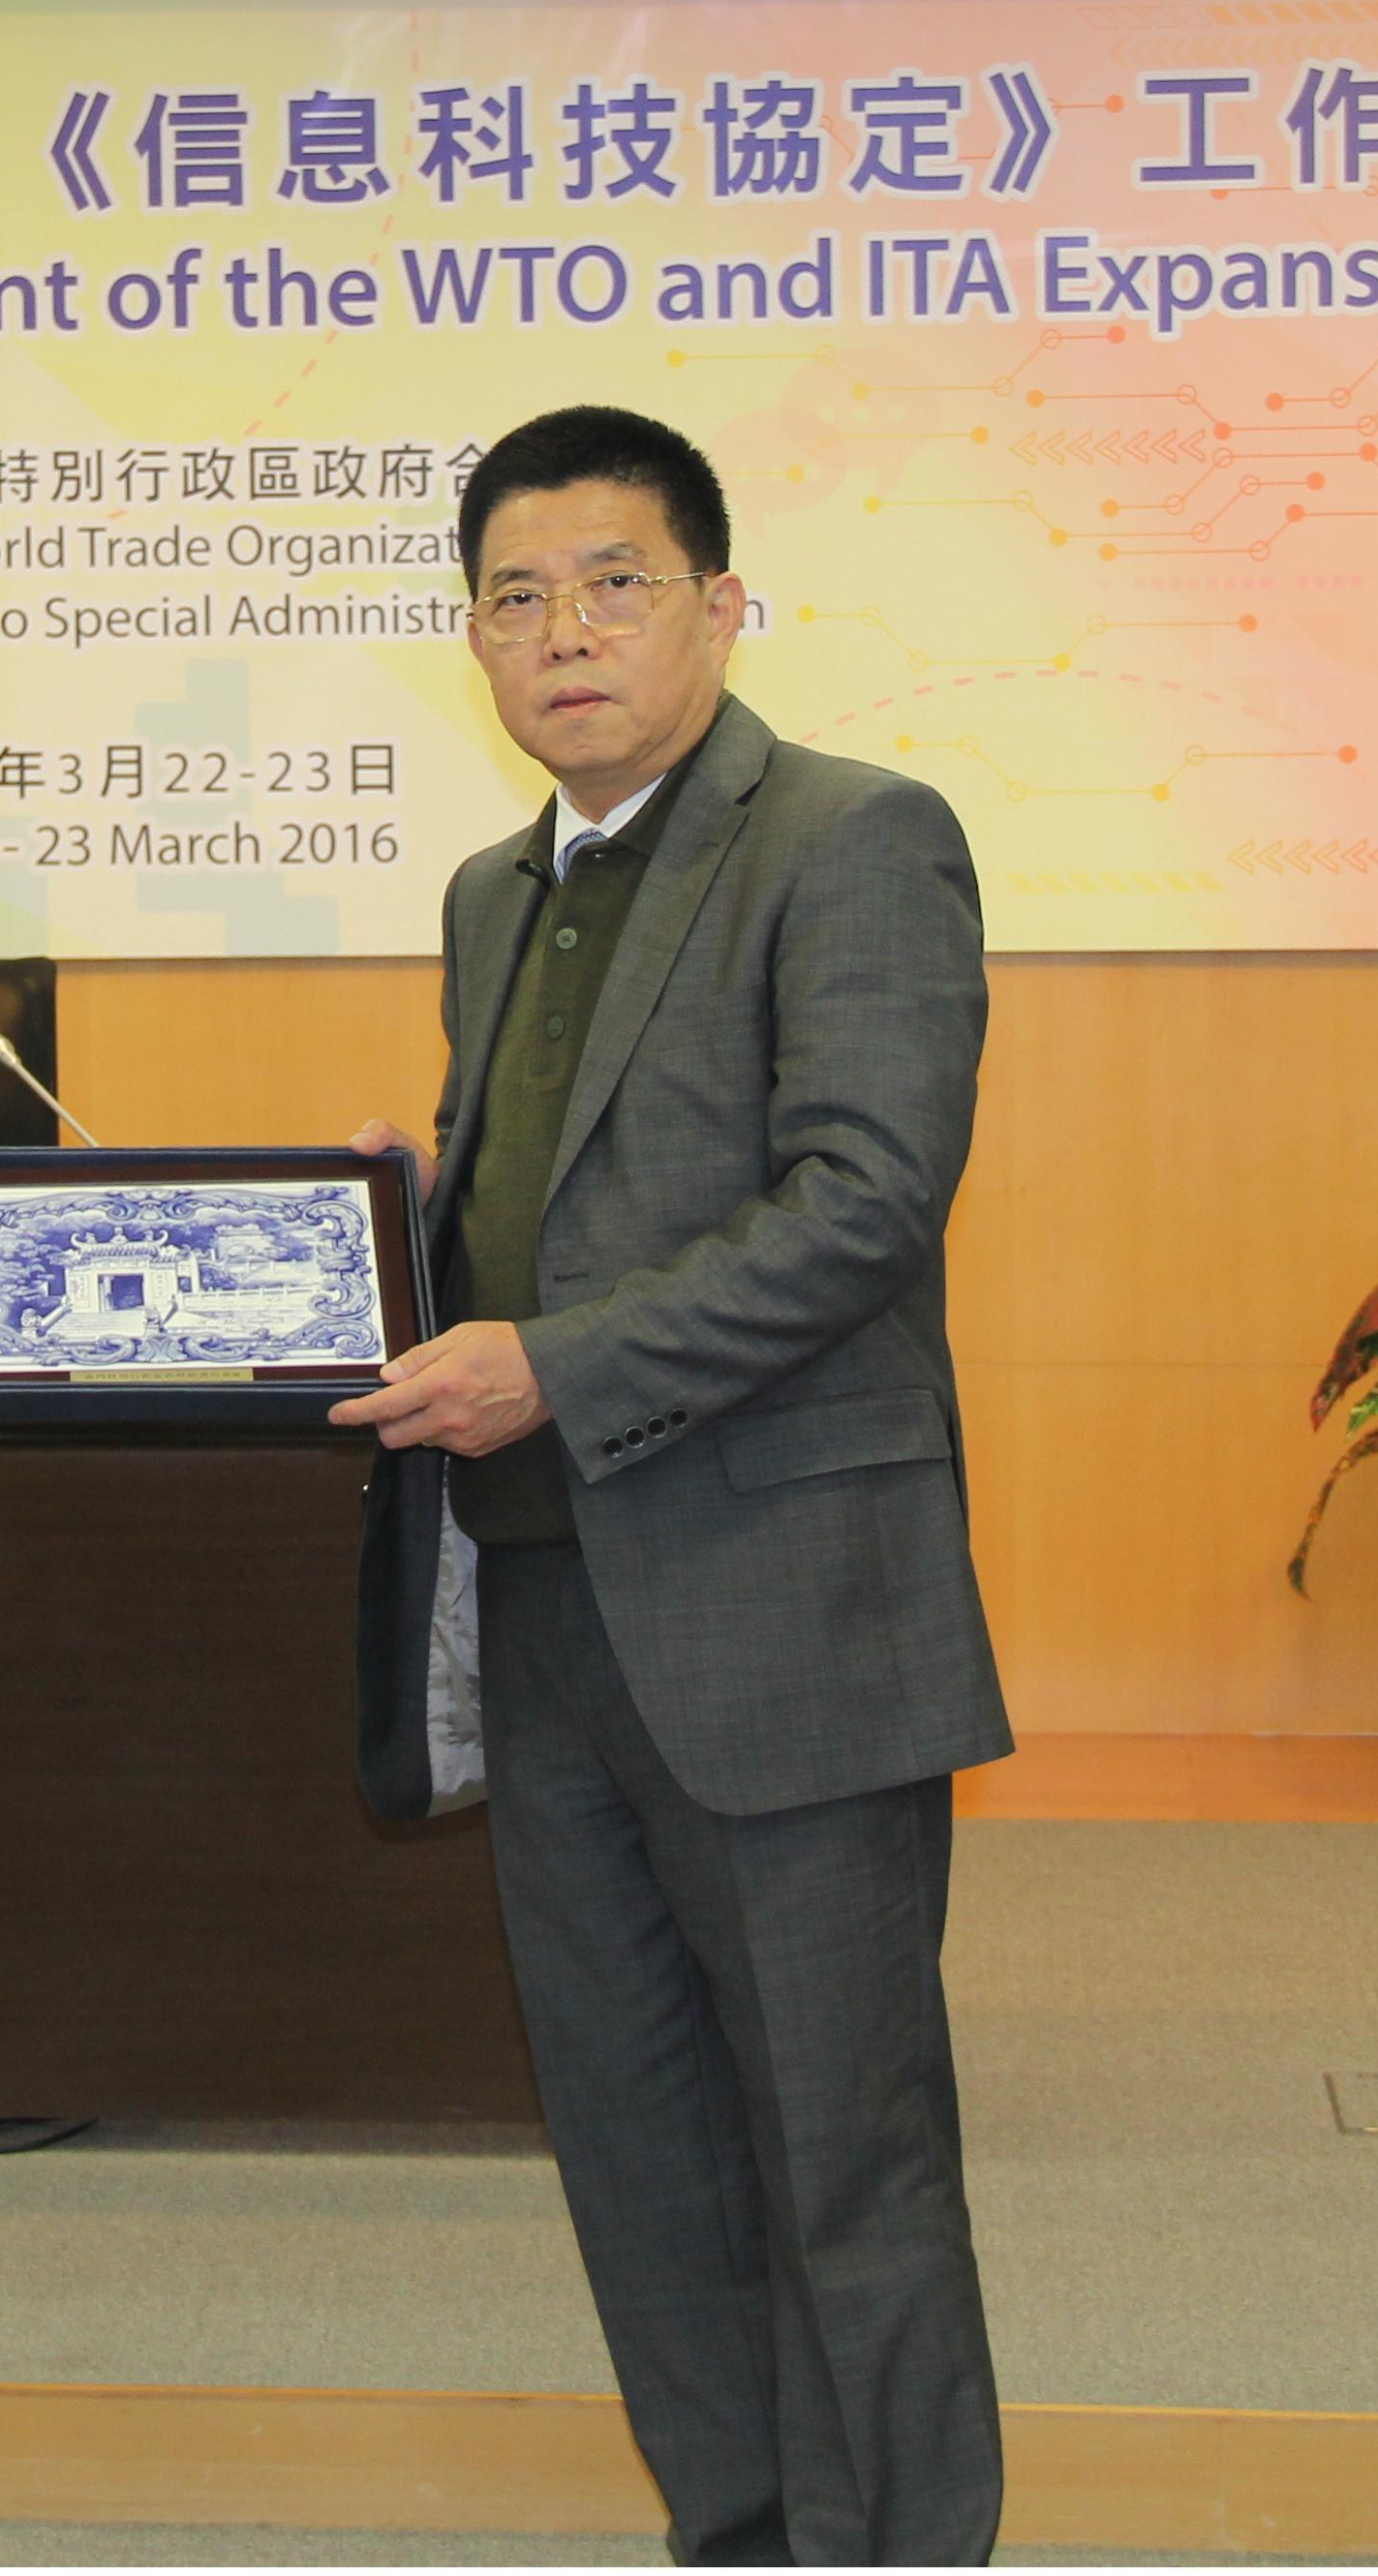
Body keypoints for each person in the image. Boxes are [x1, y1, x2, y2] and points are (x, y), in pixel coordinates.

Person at [333, 406, 1015, 2565]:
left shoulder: (852, 835)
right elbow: (555, 1198)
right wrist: (387, 1238)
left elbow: (864, 1200)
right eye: (517, 597)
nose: (566, 633)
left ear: (721, 605)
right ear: (472, 638)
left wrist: (554, 1361)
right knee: (636, 2145)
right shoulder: (495, 890)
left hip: (782, 1608)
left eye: (615, 584)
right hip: (546, 1605)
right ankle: (736, 2530)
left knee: (842, 2152)